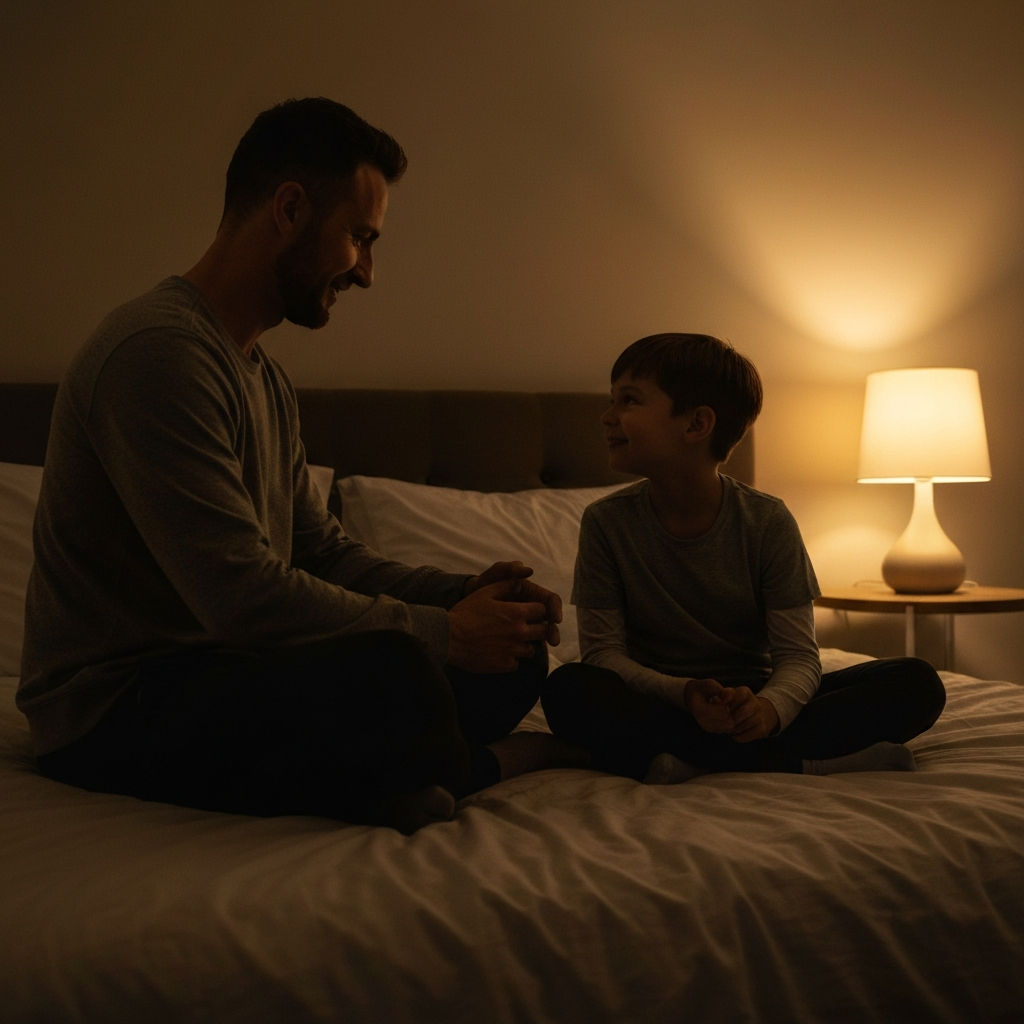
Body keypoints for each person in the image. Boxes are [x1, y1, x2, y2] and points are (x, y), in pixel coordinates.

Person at [19, 98, 582, 834]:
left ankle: (404, 773)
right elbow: (240, 594)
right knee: (400, 674)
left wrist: (470, 599)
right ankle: (476, 767)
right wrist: (445, 633)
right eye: (359, 237)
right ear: (289, 209)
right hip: (119, 703)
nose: (368, 272)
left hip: (232, 670)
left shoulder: (263, 377)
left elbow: (319, 553)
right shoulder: (156, 355)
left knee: (513, 658)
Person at [540, 333, 946, 784]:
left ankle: (696, 760)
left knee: (916, 682)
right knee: (568, 689)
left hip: (754, 693)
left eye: (628, 401)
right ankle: (795, 760)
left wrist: (771, 709)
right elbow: (604, 655)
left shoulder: (766, 521)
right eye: (612, 400)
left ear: (696, 424)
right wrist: (686, 692)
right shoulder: (606, 523)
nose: (607, 417)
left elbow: (797, 656)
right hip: (661, 699)